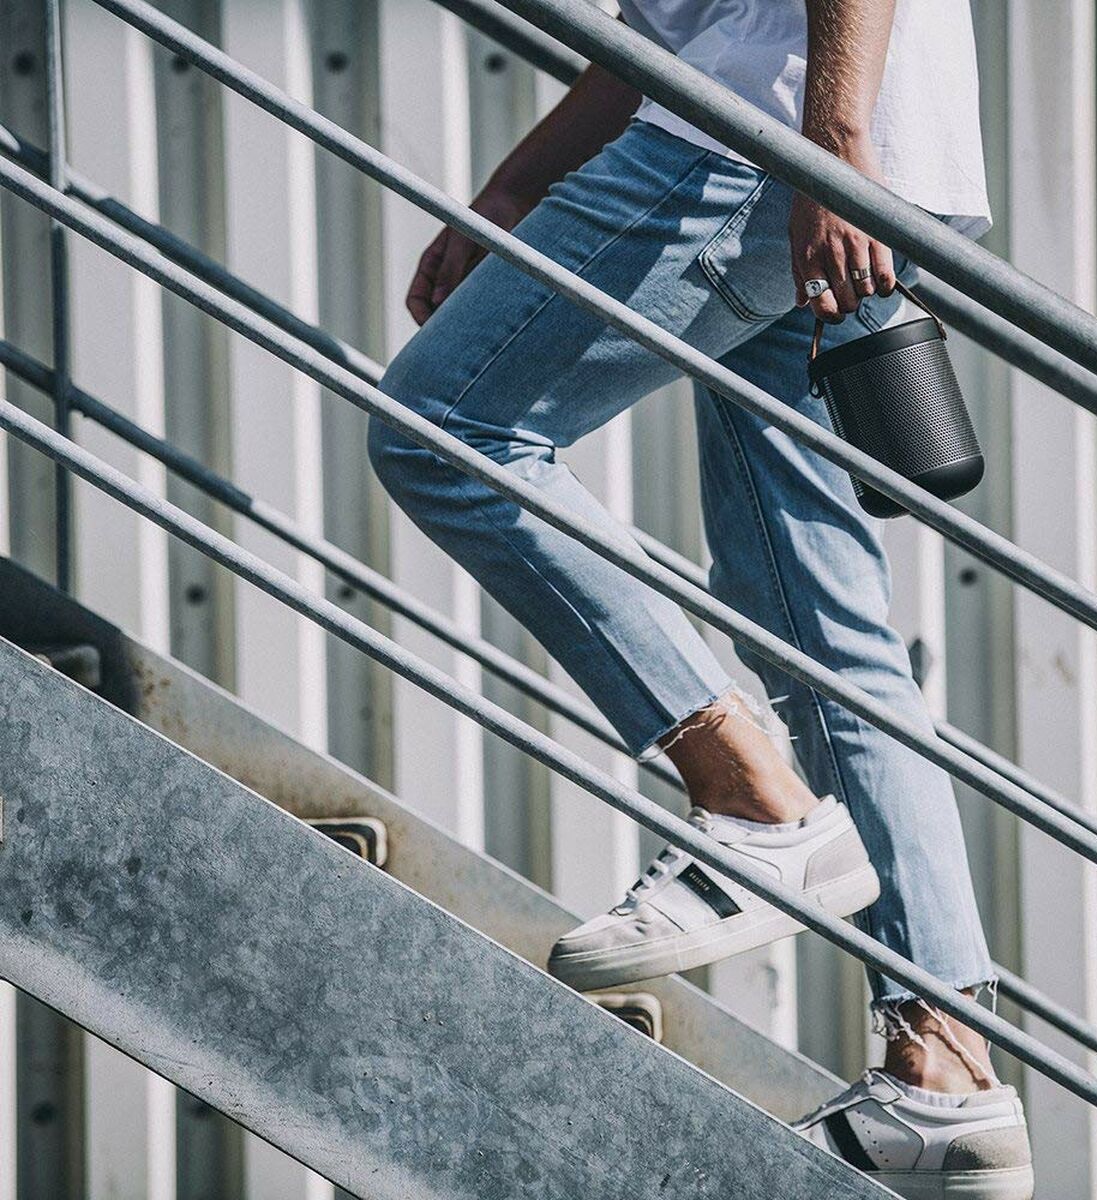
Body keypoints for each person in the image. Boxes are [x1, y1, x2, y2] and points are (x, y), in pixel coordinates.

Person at [368, 1, 1033, 1195]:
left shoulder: (803, 136)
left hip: (767, 141)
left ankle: (754, 805)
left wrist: (830, 149)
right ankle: (946, 1068)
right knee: (824, 629)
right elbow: (667, 29)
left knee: (445, 429)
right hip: (835, 147)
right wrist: (518, 183)